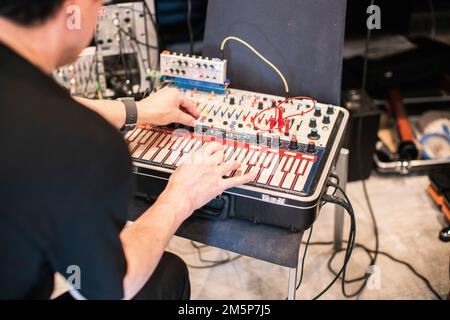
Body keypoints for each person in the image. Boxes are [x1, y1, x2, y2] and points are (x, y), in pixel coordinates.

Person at [0, 0, 255, 300]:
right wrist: (178, 199)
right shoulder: (82, 144)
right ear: (73, 9)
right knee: (163, 276)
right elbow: (105, 289)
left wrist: (135, 110)